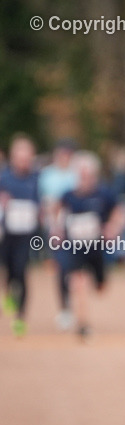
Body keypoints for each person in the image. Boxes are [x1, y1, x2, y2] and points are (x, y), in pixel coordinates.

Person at [57, 152, 125, 338]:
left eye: (89, 175)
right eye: (82, 175)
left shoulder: (104, 194)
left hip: (96, 247)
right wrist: (57, 230)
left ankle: (99, 282)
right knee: (78, 282)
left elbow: (120, 212)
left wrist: (113, 227)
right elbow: (58, 213)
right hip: (75, 247)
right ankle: (83, 323)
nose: (85, 179)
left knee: (100, 286)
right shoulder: (68, 196)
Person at [0, 135, 41, 335]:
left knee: (21, 271)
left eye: (27, 157)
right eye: (20, 157)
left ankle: (20, 317)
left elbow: (41, 202)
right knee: (9, 270)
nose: (24, 161)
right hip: (7, 233)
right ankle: (8, 293)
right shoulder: (4, 178)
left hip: (27, 234)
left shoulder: (36, 178)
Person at [39, 139, 78, 330]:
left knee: (74, 269)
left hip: (74, 226)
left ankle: (74, 304)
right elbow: (41, 201)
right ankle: (65, 308)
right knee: (62, 266)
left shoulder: (76, 175)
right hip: (55, 226)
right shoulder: (47, 175)